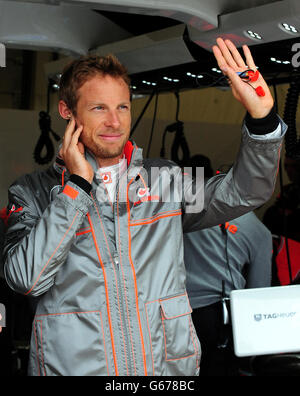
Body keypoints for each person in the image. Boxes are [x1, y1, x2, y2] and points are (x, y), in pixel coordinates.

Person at [3, 38, 286, 376]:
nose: (115, 122)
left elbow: (245, 191)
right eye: (99, 108)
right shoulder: (30, 192)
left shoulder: (165, 178)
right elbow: (25, 279)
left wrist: (262, 121)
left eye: (122, 107)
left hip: (164, 373)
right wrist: (76, 188)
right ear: (67, 110)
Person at [184, 211, 272, 376]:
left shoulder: (180, 215)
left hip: (169, 312)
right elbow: (258, 295)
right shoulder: (259, 231)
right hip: (219, 320)